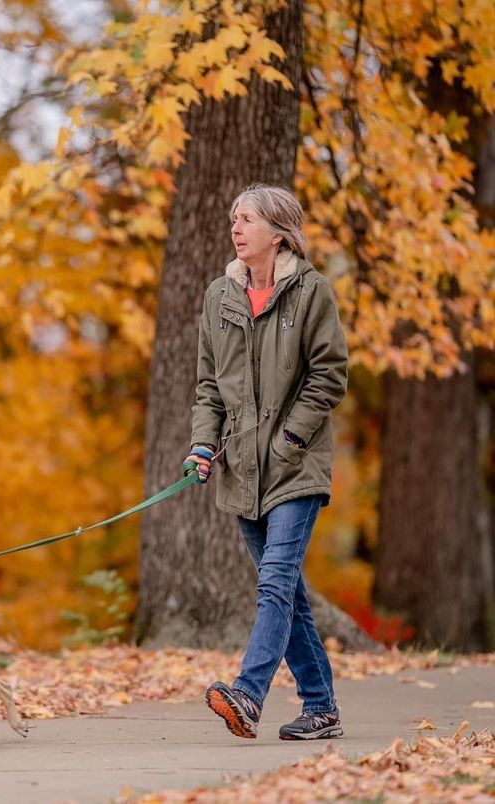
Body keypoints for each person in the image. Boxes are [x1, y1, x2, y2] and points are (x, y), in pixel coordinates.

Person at [184, 183, 348, 741]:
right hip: (239, 471)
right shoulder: (218, 296)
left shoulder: (311, 291)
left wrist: (287, 441)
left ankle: (248, 695)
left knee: (276, 582)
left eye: (247, 218)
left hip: (295, 467)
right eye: (234, 217)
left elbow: (330, 375)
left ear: (277, 232)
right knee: (289, 593)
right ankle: (321, 708)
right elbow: (209, 385)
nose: (236, 227)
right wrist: (203, 445)